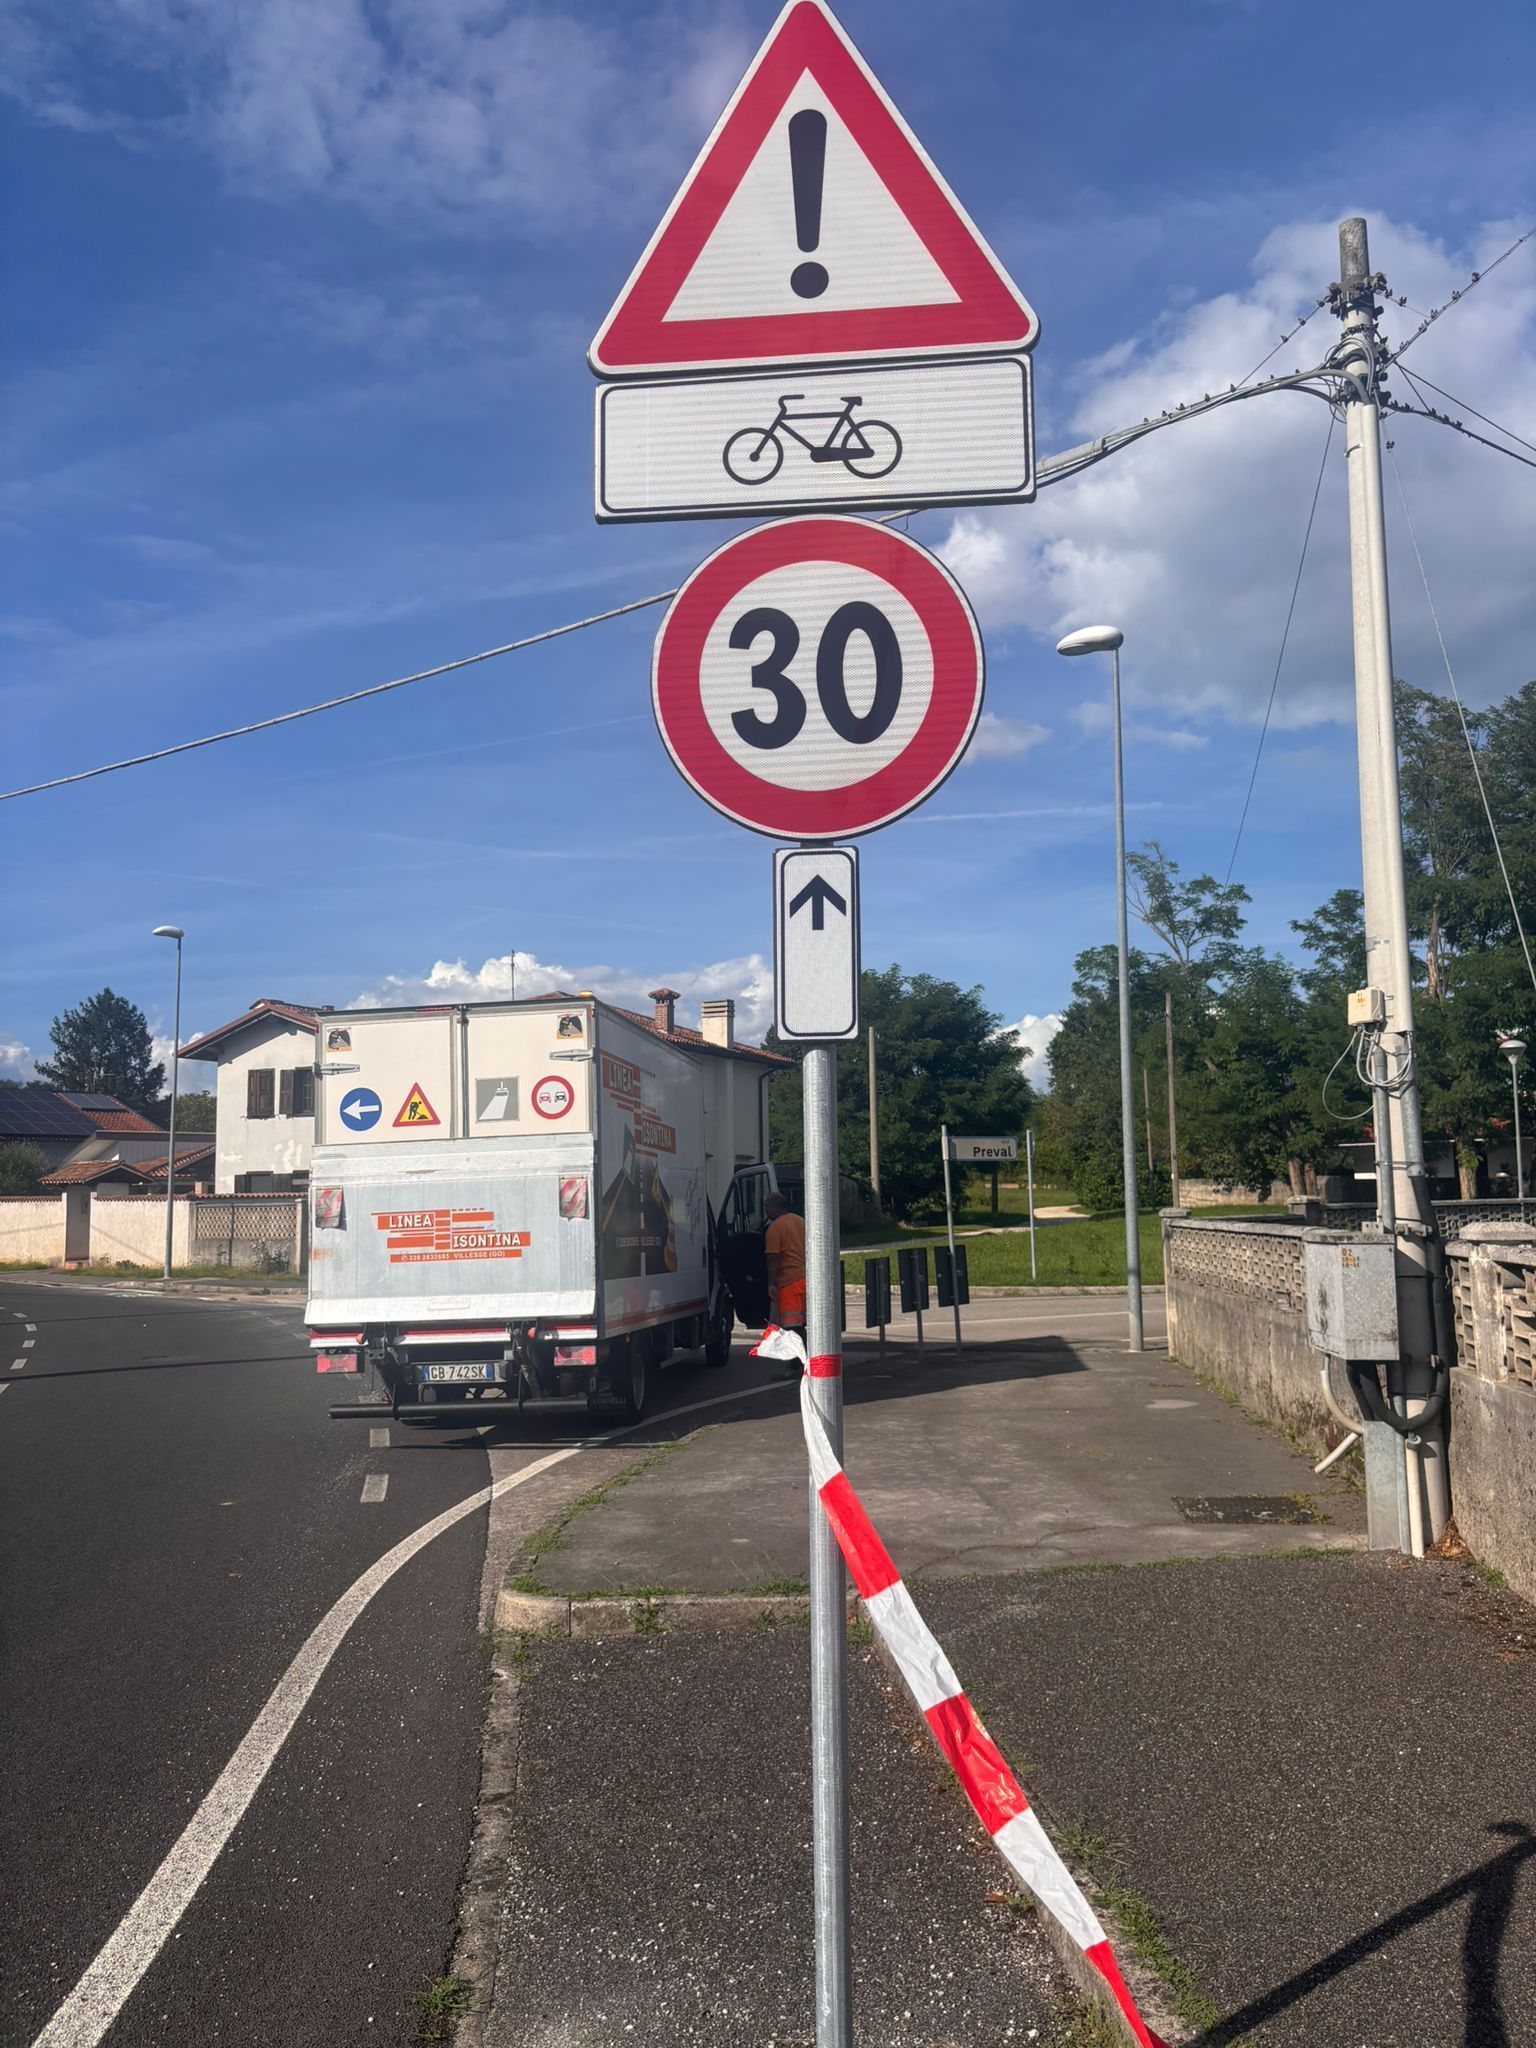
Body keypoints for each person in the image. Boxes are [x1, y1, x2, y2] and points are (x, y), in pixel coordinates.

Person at [763, 1191, 806, 1375]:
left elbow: (773, 1258)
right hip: (805, 1280)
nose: (765, 1209)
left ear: (774, 1206)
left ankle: (796, 1366)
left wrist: (771, 1283)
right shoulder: (800, 1221)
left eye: (766, 1206)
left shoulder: (775, 1228)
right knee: (803, 1325)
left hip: (789, 1283)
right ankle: (805, 1363)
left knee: (790, 1328)